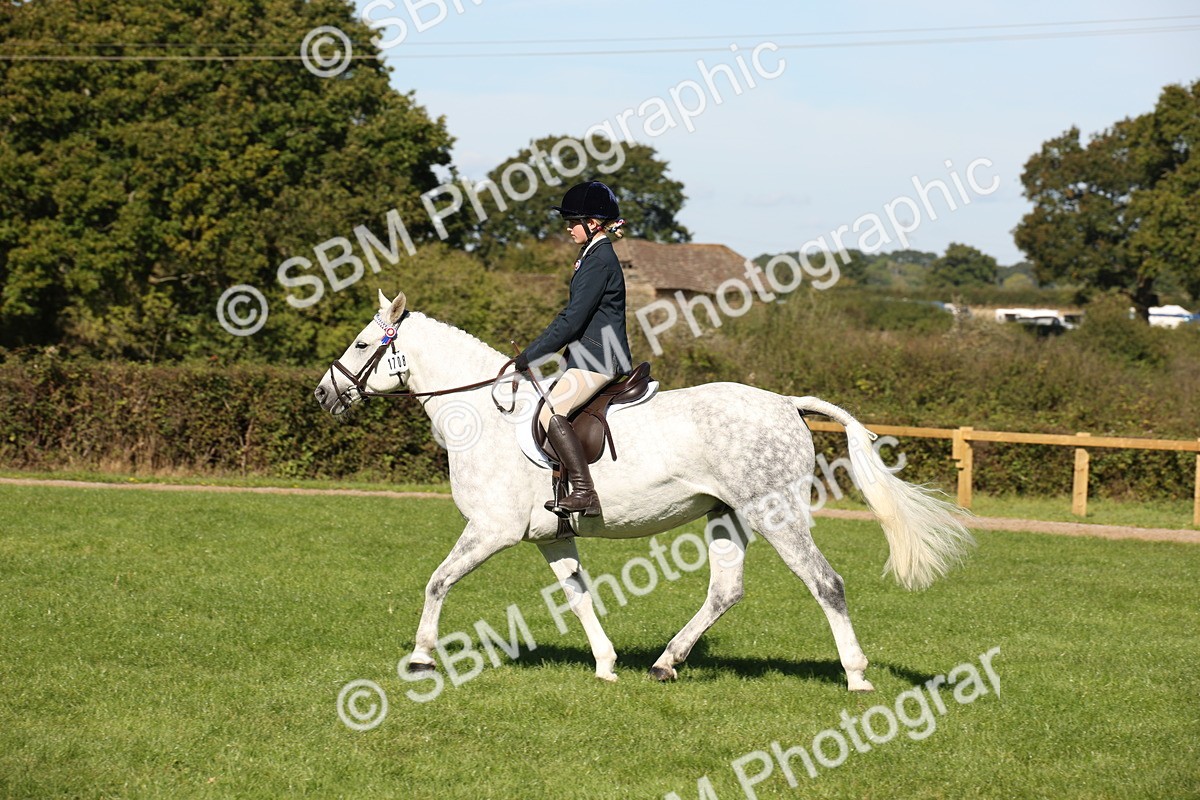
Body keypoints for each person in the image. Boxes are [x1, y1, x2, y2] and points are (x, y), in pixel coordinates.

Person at [514, 180, 633, 518]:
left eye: (572, 222)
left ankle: (584, 492)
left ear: (593, 223)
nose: (568, 228)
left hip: (599, 358)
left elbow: (572, 320)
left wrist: (530, 356)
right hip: (588, 355)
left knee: (551, 412)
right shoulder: (592, 254)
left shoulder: (598, 259)